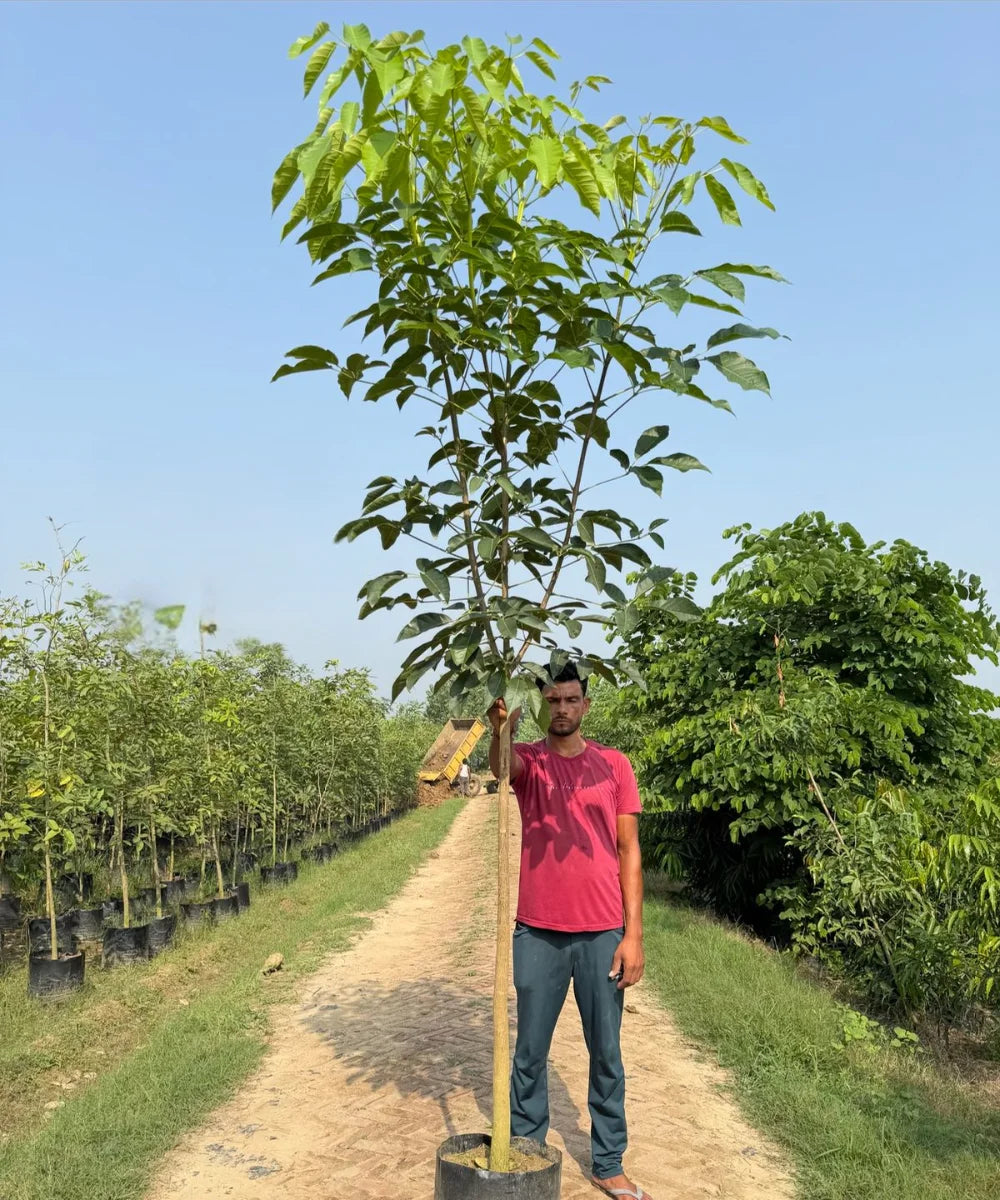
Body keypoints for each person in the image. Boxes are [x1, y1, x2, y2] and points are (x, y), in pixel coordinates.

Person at [488, 662, 650, 1200]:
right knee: (529, 1051)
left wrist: (634, 936)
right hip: (537, 932)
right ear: (542, 705)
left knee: (606, 1051)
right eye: (552, 700)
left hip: (603, 932)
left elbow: (629, 852)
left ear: (585, 704)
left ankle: (608, 1160)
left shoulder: (614, 766)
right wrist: (499, 728)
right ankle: (529, 1150)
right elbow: (499, 768)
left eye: (570, 699)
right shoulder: (530, 762)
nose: (561, 709)